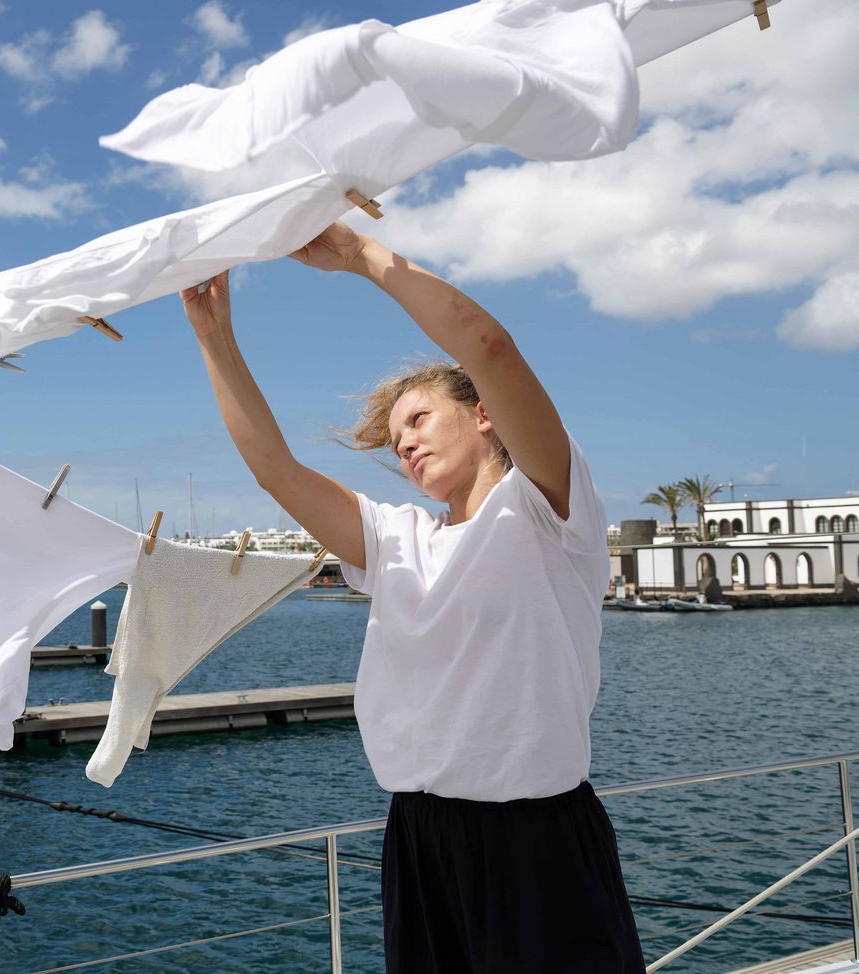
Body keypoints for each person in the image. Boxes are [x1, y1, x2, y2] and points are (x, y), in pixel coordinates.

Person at [181, 220, 643, 973]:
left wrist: (363, 258)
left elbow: (487, 346)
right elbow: (276, 469)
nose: (405, 442)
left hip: (539, 839)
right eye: (396, 438)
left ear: (484, 414)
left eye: (420, 418)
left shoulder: (549, 507)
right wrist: (214, 335)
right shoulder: (396, 538)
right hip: (418, 836)